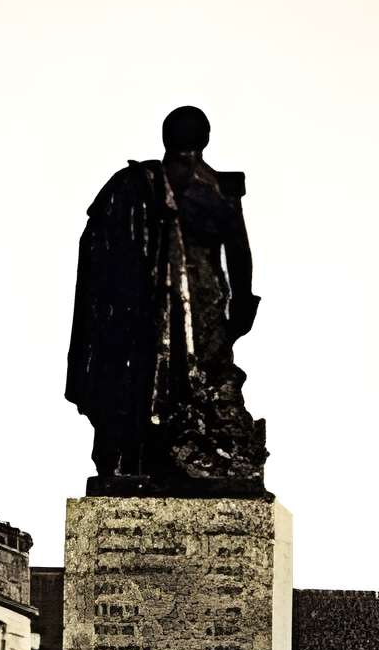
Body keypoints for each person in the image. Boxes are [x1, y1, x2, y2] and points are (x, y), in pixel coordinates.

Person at [64, 104, 268, 491]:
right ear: (206, 140)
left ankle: (143, 455)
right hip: (199, 309)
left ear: (165, 138)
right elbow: (240, 254)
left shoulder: (134, 185)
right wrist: (243, 304)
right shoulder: (216, 189)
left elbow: (97, 252)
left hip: (149, 314)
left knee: (149, 383)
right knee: (193, 386)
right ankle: (176, 454)